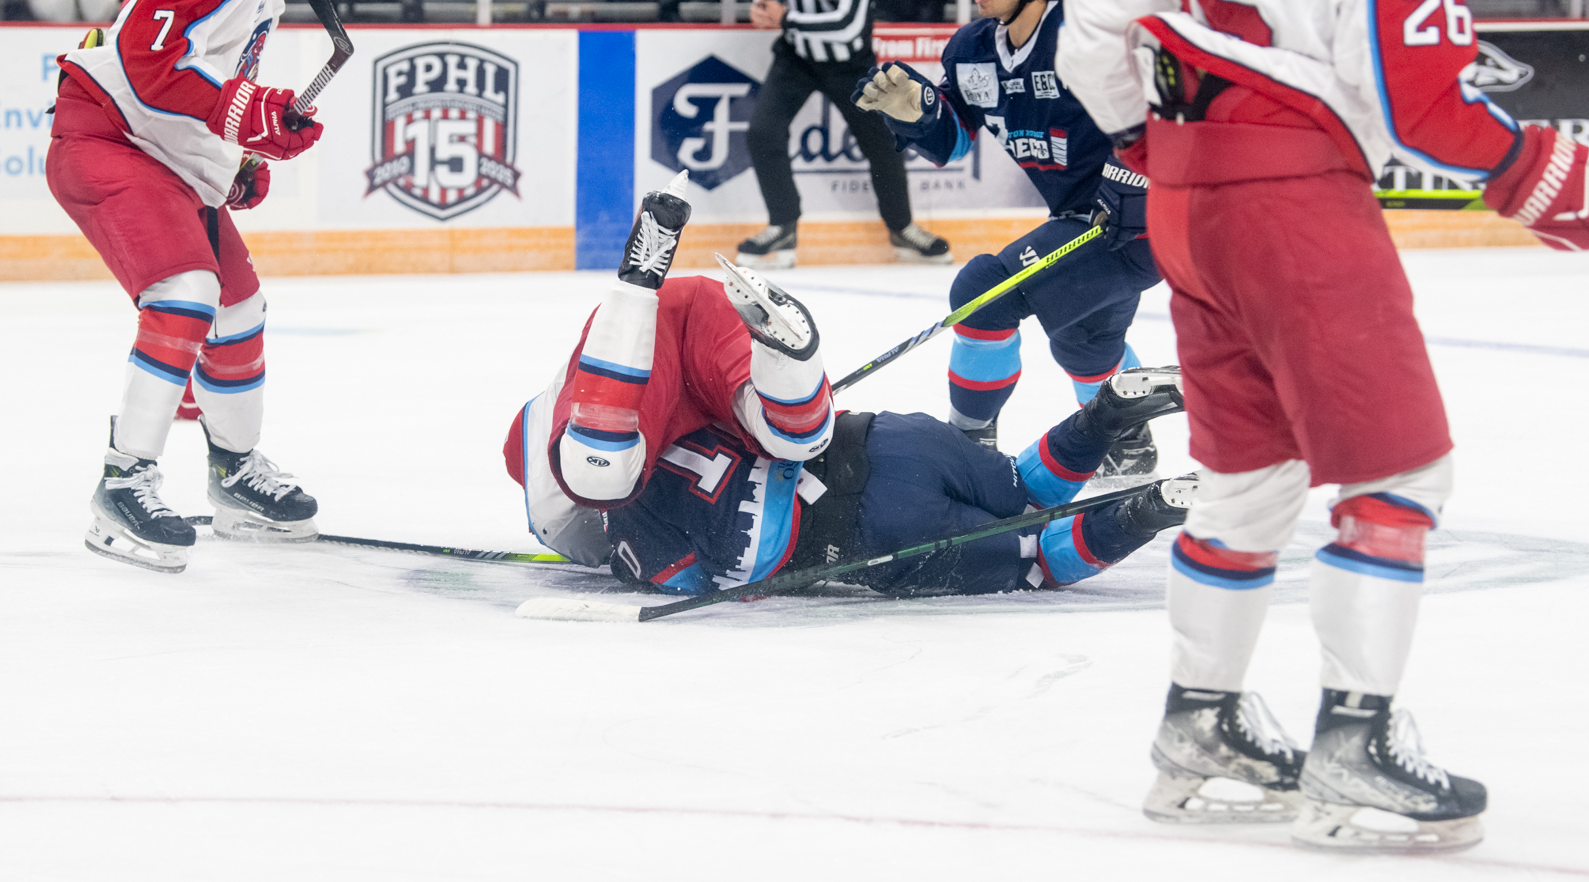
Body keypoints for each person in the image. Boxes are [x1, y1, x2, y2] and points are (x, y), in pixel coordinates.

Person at [1059, 0, 1589, 851]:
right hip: (1289, 194)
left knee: (1246, 480)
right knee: (1398, 471)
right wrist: (1532, 173)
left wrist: (1146, 135)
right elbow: (1411, 90)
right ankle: (1352, 739)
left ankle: (1199, 722)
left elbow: (1094, 16)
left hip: (1182, 199)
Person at [505, 178, 1196, 597]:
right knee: (1018, 487)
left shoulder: (626, 508)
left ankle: (1151, 507)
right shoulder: (674, 428)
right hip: (890, 437)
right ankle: (1107, 413)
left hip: (864, 530)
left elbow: (687, 578)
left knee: (1040, 559)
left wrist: (627, 570)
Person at [47, 0, 326, 573]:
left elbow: (182, 75)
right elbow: (145, 61)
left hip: (156, 152)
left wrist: (234, 155)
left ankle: (234, 472)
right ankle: (124, 479)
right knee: (185, 290)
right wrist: (250, 112)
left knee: (238, 309)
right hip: (109, 143)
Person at [854, 0, 1161, 476]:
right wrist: (918, 115)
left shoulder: (1088, 36)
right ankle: (1129, 442)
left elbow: (1168, 102)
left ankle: (967, 449)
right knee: (1084, 341)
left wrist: (1135, 171)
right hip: (1083, 218)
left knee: (983, 291)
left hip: (1141, 223)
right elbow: (953, 144)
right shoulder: (972, 50)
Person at [506, 172, 839, 568]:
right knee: (796, 438)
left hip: (648, 354)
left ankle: (636, 284)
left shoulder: (552, 507)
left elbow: (593, 542)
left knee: (596, 475)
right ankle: (786, 372)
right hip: (693, 314)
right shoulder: (547, 439)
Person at [738, 0, 950, 270]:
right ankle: (783, 225)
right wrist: (764, 7)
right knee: (763, 132)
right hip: (797, 58)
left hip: (848, 63)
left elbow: (849, 23)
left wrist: (785, 18)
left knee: (883, 144)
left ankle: (902, 227)